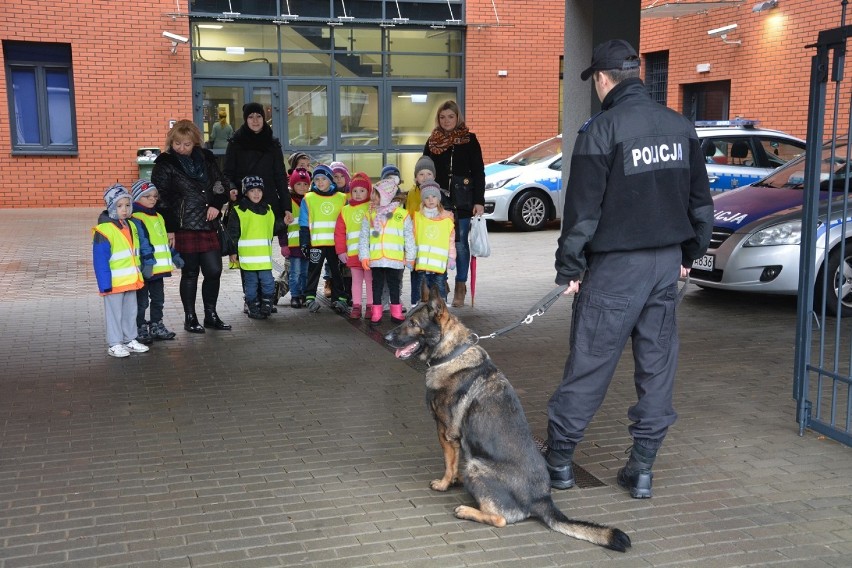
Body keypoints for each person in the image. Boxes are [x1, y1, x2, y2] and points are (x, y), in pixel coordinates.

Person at [544, 39, 713, 499]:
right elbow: (701, 204)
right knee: (657, 368)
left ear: (601, 79)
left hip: (616, 269)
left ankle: (558, 462)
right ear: (637, 74)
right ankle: (641, 468)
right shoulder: (682, 127)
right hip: (664, 267)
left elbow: (583, 213)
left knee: (590, 364)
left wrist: (569, 269)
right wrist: (686, 256)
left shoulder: (601, 130)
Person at [151, 119, 232, 333]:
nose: (182, 148)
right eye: (177, 144)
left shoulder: (206, 158)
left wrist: (216, 204)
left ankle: (211, 315)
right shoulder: (165, 163)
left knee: (214, 271)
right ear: (171, 142)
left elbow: (221, 183)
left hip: (208, 223)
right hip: (183, 225)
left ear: (195, 142)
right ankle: (190, 317)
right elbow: (162, 198)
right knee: (190, 273)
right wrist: (170, 229)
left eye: (186, 144)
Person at [423, 100, 485, 308]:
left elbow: (478, 171)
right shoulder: (432, 141)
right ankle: (442, 283)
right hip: (437, 200)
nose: (446, 120)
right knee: (437, 243)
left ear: (457, 117)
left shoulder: (469, 139)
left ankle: (461, 285)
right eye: (442, 117)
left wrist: (479, 200)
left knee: (459, 243)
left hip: (464, 199)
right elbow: (424, 170)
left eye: (450, 116)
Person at [93, 184, 150, 358]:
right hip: (114, 283)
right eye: (119, 206)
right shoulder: (104, 231)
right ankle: (114, 343)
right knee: (114, 314)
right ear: (111, 207)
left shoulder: (131, 226)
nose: (124, 210)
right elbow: (100, 261)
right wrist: (105, 285)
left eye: (127, 205)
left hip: (130, 281)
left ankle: (129, 339)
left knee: (130, 312)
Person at [129, 179, 182, 344]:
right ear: (137, 198)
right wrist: (148, 264)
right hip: (146, 269)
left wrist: (175, 256)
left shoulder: (158, 216)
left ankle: (156, 325)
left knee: (159, 300)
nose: (152, 199)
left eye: (154, 196)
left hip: (158, 271)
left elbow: (163, 241)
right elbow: (144, 244)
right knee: (142, 301)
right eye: (147, 196)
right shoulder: (136, 218)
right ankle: (139, 326)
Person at [223, 102, 293, 226]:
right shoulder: (235, 142)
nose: (255, 120)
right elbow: (227, 173)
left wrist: (287, 207)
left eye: (258, 116)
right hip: (243, 203)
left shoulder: (273, 144)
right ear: (245, 119)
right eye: (251, 117)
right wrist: (232, 188)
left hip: (268, 202)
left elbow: (280, 177)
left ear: (264, 118)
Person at [226, 176, 285, 320]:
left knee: (268, 282)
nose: (256, 193)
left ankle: (266, 305)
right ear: (245, 192)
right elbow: (232, 233)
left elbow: (271, 229)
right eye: (252, 190)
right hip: (248, 258)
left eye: (259, 190)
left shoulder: (268, 209)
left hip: (264, 257)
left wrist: (283, 222)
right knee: (251, 285)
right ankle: (253, 306)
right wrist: (232, 251)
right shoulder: (239, 211)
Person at [359, 176, 415, 325]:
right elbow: (364, 237)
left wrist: (410, 257)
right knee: (376, 285)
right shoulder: (370, 214)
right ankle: (376, 313)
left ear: (386, 196)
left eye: (376, 194)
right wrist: (364, 256)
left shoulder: (402, 215)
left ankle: (396, 313)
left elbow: (409, 237)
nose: (372, 197)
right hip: (376, 258)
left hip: (395, 259)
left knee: (394, 286)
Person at [299, 164, 348, 314]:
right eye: (316, 179)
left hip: (336, 244)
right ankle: (310, 298)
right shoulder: (308, 198)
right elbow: (303, 222)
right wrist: (304, 243)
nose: (320, 182)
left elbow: (348, 222)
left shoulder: (342, 198)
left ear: (330, 180)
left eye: (323, 179)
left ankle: (340, 299)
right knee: (313, 271)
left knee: (337, 272)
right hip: (316, 243)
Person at [410, 180, 456, 304]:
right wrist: (409, 258)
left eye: (434, 196)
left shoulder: (447, 218)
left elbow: (450, 240)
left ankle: (442, 311)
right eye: (427, 197)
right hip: (421, 262)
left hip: (439, 263)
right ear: (422, 200)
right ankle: (417, 309)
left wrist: (451, 257)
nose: (431, 200)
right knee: (420, 288)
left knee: (440, 287)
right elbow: (412, 238)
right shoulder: (418, 217)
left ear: (439, 198)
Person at [334, 172, 373, 319]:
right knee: (355, 280)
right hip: (352, 253)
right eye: (355, 191)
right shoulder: (345, 210)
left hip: (369, 253)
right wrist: (341, 251)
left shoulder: (372, 207)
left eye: (362, 191)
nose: (357, 194)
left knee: (370, 280)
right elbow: (339, 232)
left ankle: (370, 305)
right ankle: (356, 305)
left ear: (368, 192)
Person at [280, 167, 311, 308]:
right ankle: (295, 295)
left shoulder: (311, 200)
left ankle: (304, 294)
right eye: (298, 184)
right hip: (293, 245)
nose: (302, 187)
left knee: (305, 272)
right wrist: (283, 244)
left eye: (305, 184)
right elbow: (282, 227)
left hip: (308, 244)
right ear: (292, 185)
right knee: (295, 272)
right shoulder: (288, 202)